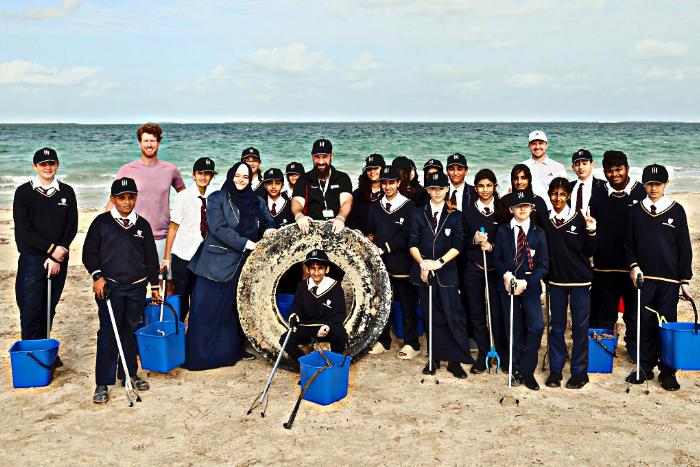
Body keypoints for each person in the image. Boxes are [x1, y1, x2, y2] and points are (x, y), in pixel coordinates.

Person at [185, 162, 277, 371]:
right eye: (237, 175)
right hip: (215, 263)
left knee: (233, 311)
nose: (241, 180)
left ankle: (231, 352)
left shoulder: (256, 201)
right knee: (207, 310)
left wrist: (269, 230)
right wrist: (247, 244)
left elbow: (270, 222)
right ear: (230, 175)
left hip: (242, 266)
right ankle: (200, 356)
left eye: (246, 177)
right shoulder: (217, 198)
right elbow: (218, 228)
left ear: (251, 179)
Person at [83, 177, 161, 404]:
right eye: (122, 198)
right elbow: (89, 253)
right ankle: (102, 382)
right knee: (108, 332)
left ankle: (129, 373)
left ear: (136, 197)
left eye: (131, 197)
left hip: (137, 287)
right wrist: (97, 277)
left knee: (130, 330)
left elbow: (151, 259)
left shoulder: (142, 225)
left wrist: (154, 287)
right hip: (110, 288)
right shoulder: (101, 223)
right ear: (113, 199)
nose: (127, 202)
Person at [625, 164, 693, 390]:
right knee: (643, 324)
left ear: (666, 184)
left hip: (669, 281)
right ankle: (644, 367)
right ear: (643, 184)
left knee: (666, 326)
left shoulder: (676, 210)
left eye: (658, 183)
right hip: (643, 279)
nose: (653, 188)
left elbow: (684, 247)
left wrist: (684, 280)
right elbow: (628, 244)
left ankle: (667, 371)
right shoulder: (636, 210)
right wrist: (634, 266)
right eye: (649, 183)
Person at [13, 148, 78, 366]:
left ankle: (44, 351)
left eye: (51, 163)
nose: (47, 167)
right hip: (32, 260)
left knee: (48, 309)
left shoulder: (67, 192)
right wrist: (51, 250)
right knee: (30, 309)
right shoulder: (23, 193)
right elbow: (24, 230)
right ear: (35, 167)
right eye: (42, 164)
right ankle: (32, 358)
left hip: (59, 259)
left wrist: (58, 255)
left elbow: (71, 226)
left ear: (58, 165)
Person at [409, 171, 474, 378]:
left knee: (453, 315)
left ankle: (454, 361)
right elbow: (412, 242)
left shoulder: (456, 215)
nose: (437, 192)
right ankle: (434, 358)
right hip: (423, 273)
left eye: (441, 188)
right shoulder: (418, 213)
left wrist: (439, 263)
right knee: (431, 316)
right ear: (428, 190)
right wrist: (423, 264)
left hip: (447, 273)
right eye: (433, 188)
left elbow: (458, 245)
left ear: (447, 189)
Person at [589, 150, 646, 357]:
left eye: (618, 170)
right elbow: (592, 226)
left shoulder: (641, 192)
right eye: (609, 171)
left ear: (627, 169)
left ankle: (633, 347)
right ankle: (604, 349)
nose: (614, 174)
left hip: (633, 266)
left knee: (633, 313)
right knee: (606, 312)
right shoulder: (598, 193)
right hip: (604, 266)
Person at [542, 178, 598, 390]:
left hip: (581, 283)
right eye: (554, 194)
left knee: (580, 329)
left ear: (568, 196)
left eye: (562, 194)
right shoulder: (545, 220)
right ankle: (556, 371)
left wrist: (592, 231)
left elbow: (589, 251)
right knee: (556, 327)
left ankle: (579, 373)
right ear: (549, 195)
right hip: (555, 283)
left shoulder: (579, 219)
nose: (558, 198)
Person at [110, 123, 185, 281]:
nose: (149, 144)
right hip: (133, 236)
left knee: (167, 284)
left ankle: (163, 308)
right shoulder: (127, 170)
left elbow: (184, 197)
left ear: (158, 143)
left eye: (153, 141)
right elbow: (113, 202)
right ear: (139, 143)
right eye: (145, 141)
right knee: (135, 284)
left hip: (163, 237)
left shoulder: (171, 170)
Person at [493, 188, 549, 390]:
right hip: (508, 288)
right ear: (511, 209)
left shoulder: (539, 234)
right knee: (513, 330)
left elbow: (543, 265)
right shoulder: (502, 231)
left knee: (536, 327)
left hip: (530, 288)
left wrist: (527, 282)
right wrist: (506, 274)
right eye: (518, 206)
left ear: (531, 208)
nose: (522, 208)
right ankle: (515, 368)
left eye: (526, 205)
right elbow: (497, 259)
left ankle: (528, 369)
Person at [366, 165, 419, 358]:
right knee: (383, 304)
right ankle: (383, 341)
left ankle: (412, 343)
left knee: (407, 303)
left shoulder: (409, 206)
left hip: (403, 264)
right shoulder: (375, 206)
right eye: (384, 183)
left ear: (398, 183)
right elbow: (371, 231)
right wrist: (368, 242)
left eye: (391, 183)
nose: (387, 186)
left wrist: (384, 248)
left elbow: (407, 236)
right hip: (382, 264)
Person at [462, 169, 510, 374]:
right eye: (481, 186)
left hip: (496, 270)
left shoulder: (504, 210)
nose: (485, 190)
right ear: (475, 188)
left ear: (495, 187)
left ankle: (503, 354)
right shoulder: (468, 210)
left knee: (497, 312)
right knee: (477, 312)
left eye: (489, 185)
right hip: (474, 267)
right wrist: (474, 240)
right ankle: (482, 354)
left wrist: (492, 247)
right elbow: (461, 242)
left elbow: (509, 243)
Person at [161, 157, 217, 323]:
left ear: (212, 177)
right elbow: (173, 227)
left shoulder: (214, 198)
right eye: (200, 173)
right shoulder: (183, 197)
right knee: (182, 297)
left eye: (208, 174)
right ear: (194, 174)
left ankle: (194, 335)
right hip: (183, 255)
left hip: (203, 256)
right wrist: (166, 257)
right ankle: (176, 331)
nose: (203, 177)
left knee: (200, 298)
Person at [279, 250, 349, 368]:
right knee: (285, 339)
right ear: (307, 269)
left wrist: (328, 325)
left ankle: (335, 367)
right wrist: (293, 315)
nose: (316, 272)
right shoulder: (302, 286)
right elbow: (296, 307)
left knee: (341, 334)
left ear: (327, 269)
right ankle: (307, 365)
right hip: (307, 327)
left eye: (320, 268)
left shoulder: (335, 288)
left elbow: (339, 313)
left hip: (326, 327)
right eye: (312, 268)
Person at [518, 130, 567, 210]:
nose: (537, 147)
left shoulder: (558, 167)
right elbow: (513, 192)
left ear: (546, 145)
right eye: (534, 144)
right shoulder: (520, 167)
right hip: (526, 213)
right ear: (529, 146)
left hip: (550, 213)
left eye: (541, 143)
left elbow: (564, 194)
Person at [347, 154, 385, 235]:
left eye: (375, 168)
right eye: (369, 169)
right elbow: (353, 218)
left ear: (383, 168)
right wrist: (358, 233)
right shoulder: (358, 193)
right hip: (361, 237)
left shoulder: (389, 193)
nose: (372, 171)